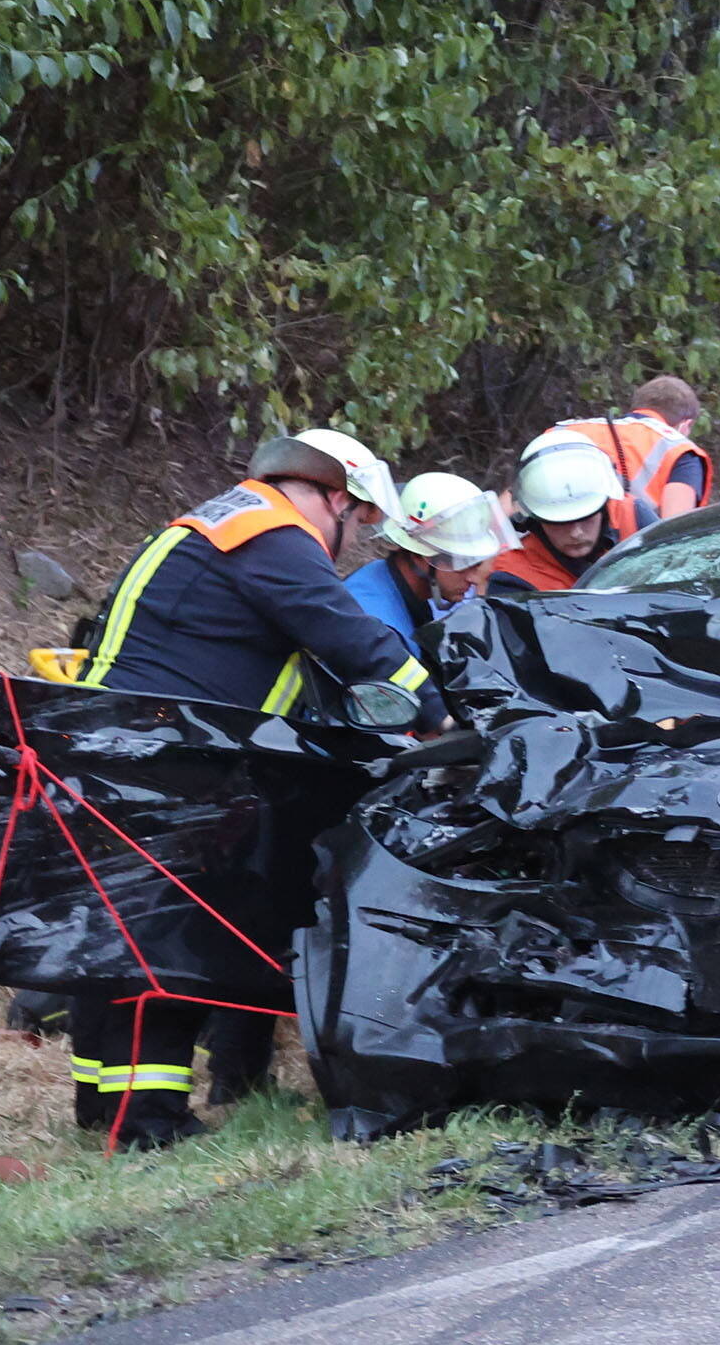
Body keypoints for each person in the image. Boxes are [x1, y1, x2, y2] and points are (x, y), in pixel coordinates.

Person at [74, 428, 437, 1145]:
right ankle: (146, 1125)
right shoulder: (273, 535)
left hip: (120, 744)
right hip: (164, 760)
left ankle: (103, 1107)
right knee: (162, 941)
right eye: (357, 523)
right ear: (336, 496)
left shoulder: (222, 520)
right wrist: (438, 710)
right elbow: (347, 636)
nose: (352, 541)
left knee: (115, 943)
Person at [342, 470, 507, 661]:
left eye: (476, 563)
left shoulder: (386, 580)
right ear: (420, 554)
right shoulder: (379, 629)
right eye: (462, 562)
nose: (474, 578)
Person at [551, 376, 715, 534]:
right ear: (686, 425)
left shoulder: (564, 431)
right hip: (620, 556)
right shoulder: (680, 452)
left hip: (544, 551)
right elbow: (675, 531)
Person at [489, 437, 625, 593]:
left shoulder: (633, 518)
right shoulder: (513, 576)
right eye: (560, 522)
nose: (576, 533)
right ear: (536, 518)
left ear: (603, 507)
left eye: (586, 517)